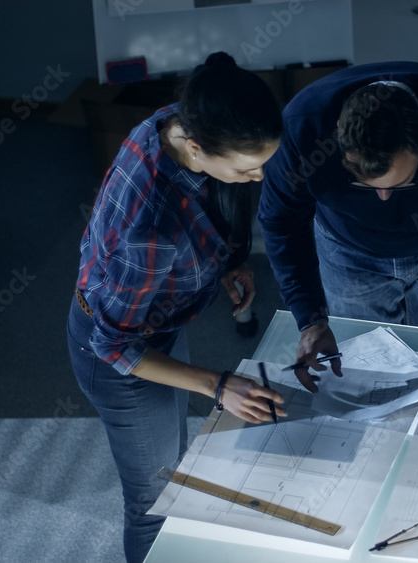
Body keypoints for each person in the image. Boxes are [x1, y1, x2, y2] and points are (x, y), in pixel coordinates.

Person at [67, 52, 288, 563]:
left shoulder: (179, 117)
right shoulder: (150, 230)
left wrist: (229, 262)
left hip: (154, 324)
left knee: (175, 468)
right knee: (155, 501)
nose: (258, 178)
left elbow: (211, 200)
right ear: (196, 147)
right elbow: (114, 345)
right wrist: (217, 385)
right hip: (118, 356)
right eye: (246, 167)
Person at [258, 62, 418, 390]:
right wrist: (310, 318)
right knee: (366, 379)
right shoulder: (302, 127)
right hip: (348, 251)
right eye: (364, 184)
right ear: (338, 131)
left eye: (401, 183)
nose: (383, 198)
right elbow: (281, 220)